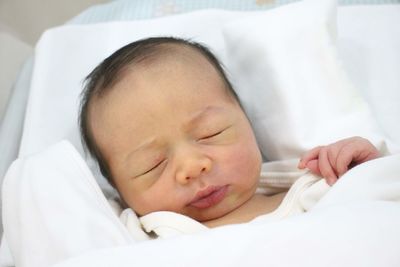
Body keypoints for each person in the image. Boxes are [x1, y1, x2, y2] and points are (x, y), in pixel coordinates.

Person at [78, 37, 380, 233]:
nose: (192, 167)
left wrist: (361, 166)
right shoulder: (136, 235)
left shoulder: (316, 187)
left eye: (211, 133)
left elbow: (380, 209)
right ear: (118, 191)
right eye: (152, 164)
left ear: (246, 121)